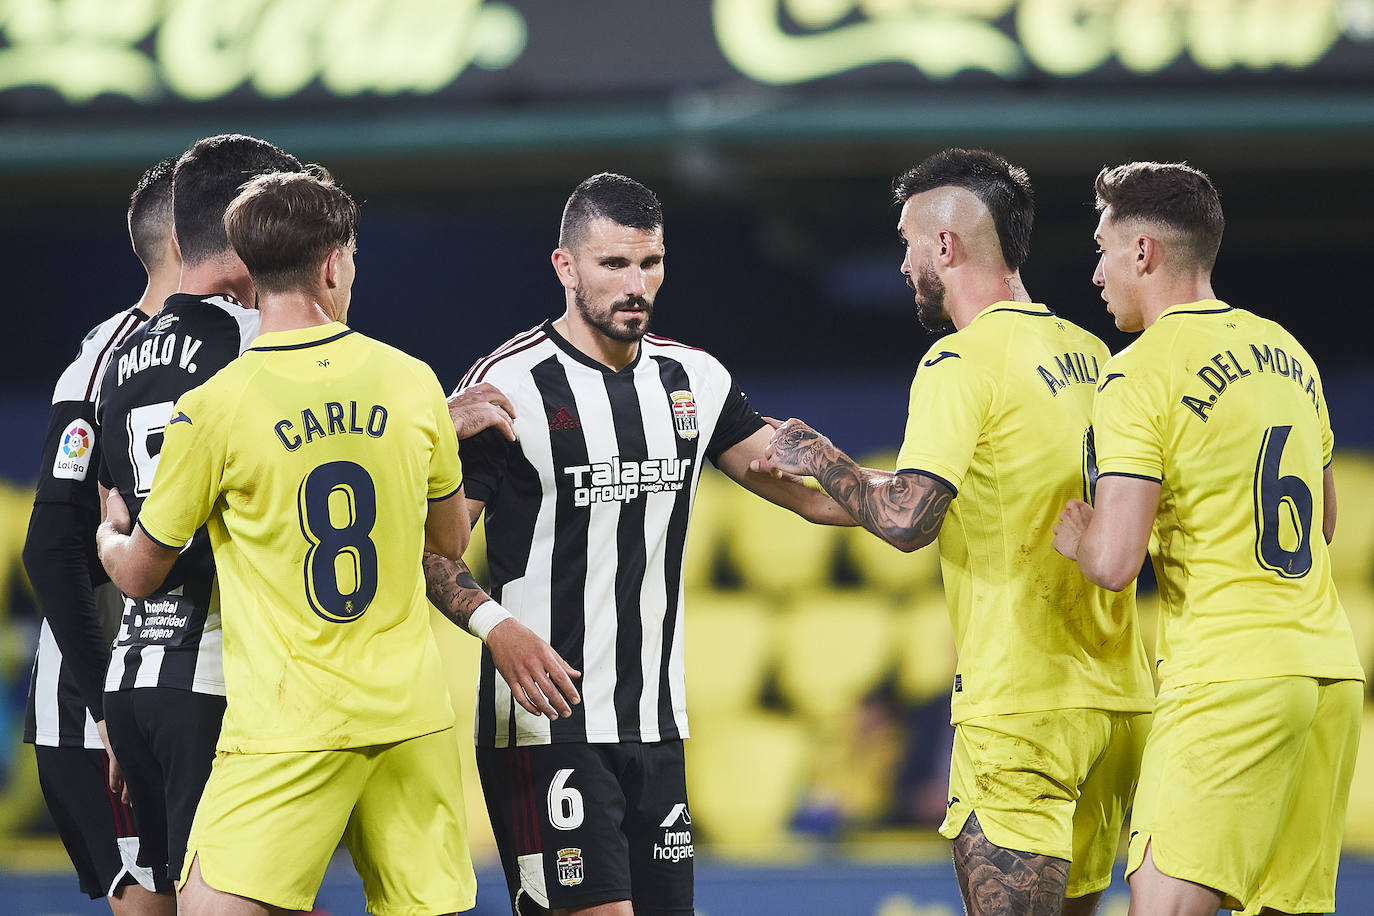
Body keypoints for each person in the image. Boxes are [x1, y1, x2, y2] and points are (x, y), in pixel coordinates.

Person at [95, 167, 573, 916]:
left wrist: (107, 535)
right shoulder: (412, 382)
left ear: (249, 274)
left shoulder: (212, 408)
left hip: (287, 726)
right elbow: (447, 542)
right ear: (332, 264)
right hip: (408, 718)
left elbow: (139, 576)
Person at [751, 149, 1155, 916]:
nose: (903, 262)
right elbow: (965, 496)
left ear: (945, 246)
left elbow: (908, 519)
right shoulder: (1090, 354)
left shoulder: (959, 361)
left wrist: (818, 453)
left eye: (908, 241)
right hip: (1116, 707)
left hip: (1018, 712)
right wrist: (808, 493)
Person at [440, 172, 853, 916]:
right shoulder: (509, 387)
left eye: (650, 264)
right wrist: (495, 628)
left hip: (657, 726)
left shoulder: (695, 379)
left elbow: (814, 500)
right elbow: (433, 552)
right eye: (614, 265)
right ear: (565, 267)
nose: (637, 285)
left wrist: (941, 491)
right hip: (545, 723)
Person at [1052, 161, 1364, 916]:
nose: (1095, 271)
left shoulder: (1137, 375)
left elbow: (1117, 563)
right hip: (1326, 675)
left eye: (1102, 247)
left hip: (1228, 676)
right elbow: (1322, 524)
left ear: (1144, 253)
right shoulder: (1288, 352)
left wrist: (1082, 536)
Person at [94, 133, 302, 900]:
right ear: (257, 231)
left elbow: (116, 507)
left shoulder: (120, 353)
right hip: (222, 681)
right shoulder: (257, 342)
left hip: (136, 679)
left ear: (179, 237)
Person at [20, 156, 179, 916]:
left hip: (194, 696)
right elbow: (50, 549)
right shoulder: (103, 362)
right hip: (107, 711)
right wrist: (107, 709)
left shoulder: (242, 341)